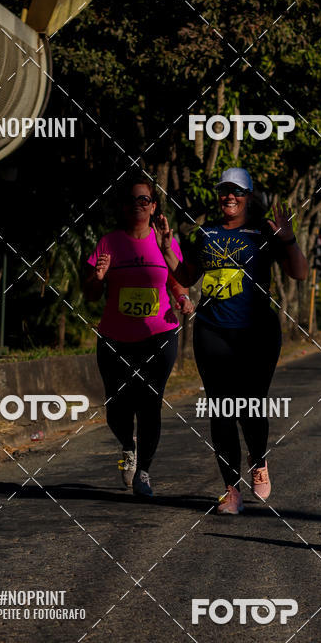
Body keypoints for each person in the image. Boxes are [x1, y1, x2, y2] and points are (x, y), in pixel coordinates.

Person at [157, 167, 308, 514]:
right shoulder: (205, 233)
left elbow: (299, 273)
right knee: (221, 409)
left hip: (257, 332)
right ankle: (231, 490)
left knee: (251, 405)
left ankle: (259, 461)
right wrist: (167, 250)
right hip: (212, 330)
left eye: (237, 191)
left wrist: (288, 238)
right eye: (225, 190)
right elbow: (187, 276)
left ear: (248, 196)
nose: (230, 196)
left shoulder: (263, 233)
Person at [84, 174, 194, 497]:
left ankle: (143, 471)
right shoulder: (109, 242)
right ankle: (127, 445)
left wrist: (182, 299)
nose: (138, 205)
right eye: (132, 200)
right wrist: (98, 277)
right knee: (117, 408)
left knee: (150, 403)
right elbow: (90, 294)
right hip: (115, 337)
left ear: (153, 205)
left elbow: (177, 279)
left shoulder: (165, 242)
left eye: (144, 199)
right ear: (123, 206)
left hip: (159, 335)